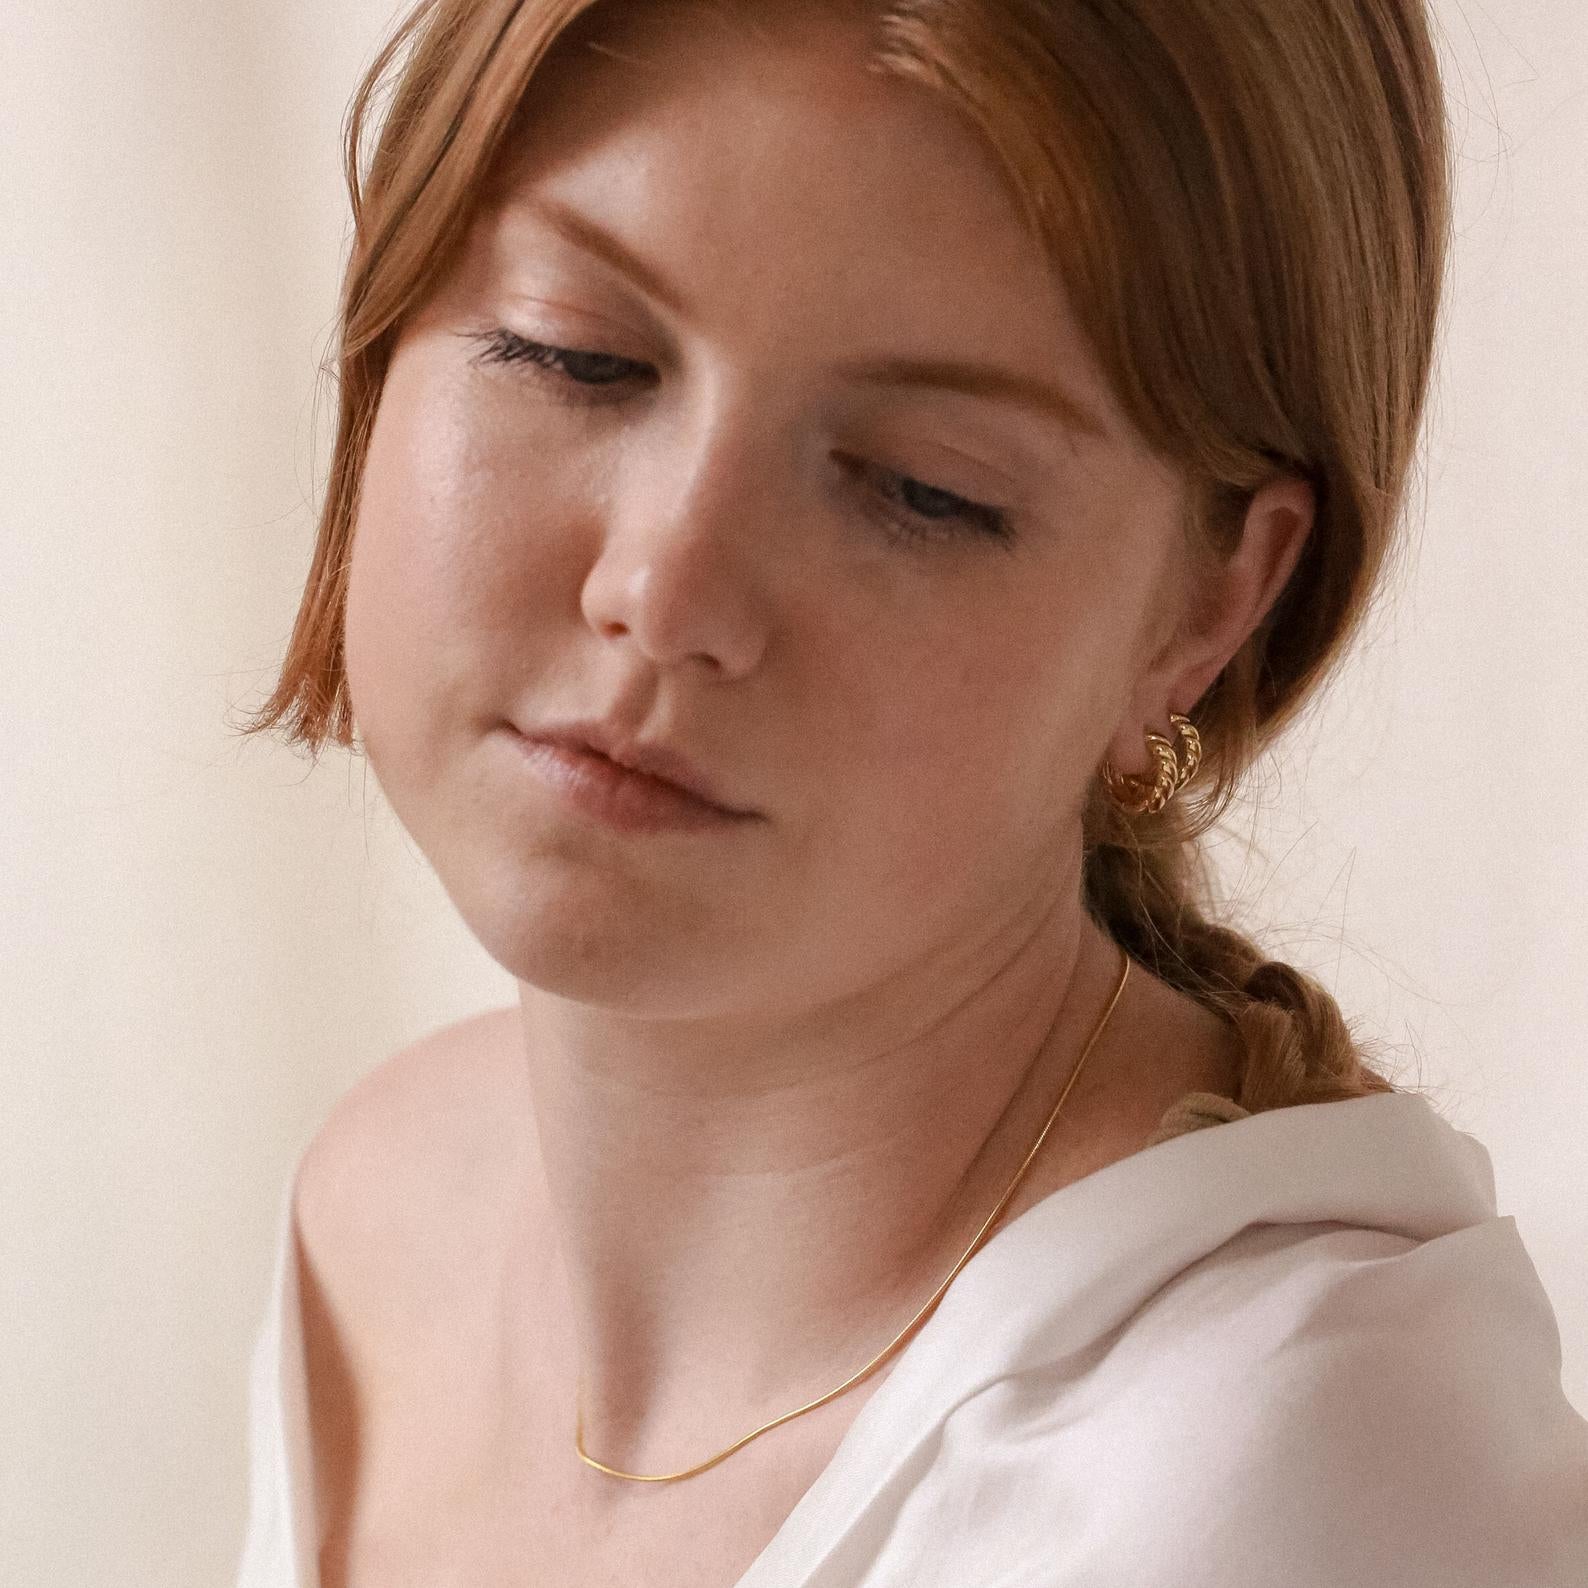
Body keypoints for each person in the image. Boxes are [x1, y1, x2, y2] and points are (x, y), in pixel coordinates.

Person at [231, 1, 1588, 1584]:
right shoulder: (387, 1203)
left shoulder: (1278, 1469)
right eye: (574, 355)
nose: (666, 591)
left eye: (923, 489)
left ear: (1213, 607)